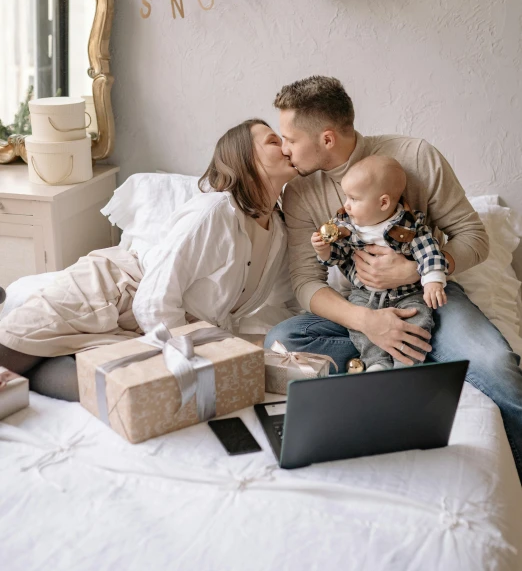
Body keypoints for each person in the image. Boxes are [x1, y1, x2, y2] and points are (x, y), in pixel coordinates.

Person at [265, 75, 522, 481]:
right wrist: (369, 323)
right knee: (280, 341)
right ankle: (395, 354)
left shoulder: (415, 156)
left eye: (289, 138)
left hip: (427, 296)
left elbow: (474, 237)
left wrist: (418, 269)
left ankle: (407, 349)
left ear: (327, 138)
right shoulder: (300, 192)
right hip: (360, 305)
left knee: (498, 365)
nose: (284, 149)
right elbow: (305, 281)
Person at [0, 119, 299, 398]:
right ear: (246, 160)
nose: (286, 147)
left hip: (140, 329)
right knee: (8, 355)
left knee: (121, 390)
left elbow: (282, 301)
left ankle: (48, 352)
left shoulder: (277, 232)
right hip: (105, 290)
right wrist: (187, 357)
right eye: (274, 141)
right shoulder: (215, 212)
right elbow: (154, 300)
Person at [311, 155, 448, 372]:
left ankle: (407, 365)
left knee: (418, 320)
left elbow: (429, 250)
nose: (346, 205)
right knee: (359, 329)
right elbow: (339, 255)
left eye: (354, 199)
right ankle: (377, 363)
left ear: (383, 202)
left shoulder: (409, 226)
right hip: (365, 294)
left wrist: (432, 280)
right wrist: (324, 249)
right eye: (346, 197)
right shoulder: (347, 226)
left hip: (407, 294)